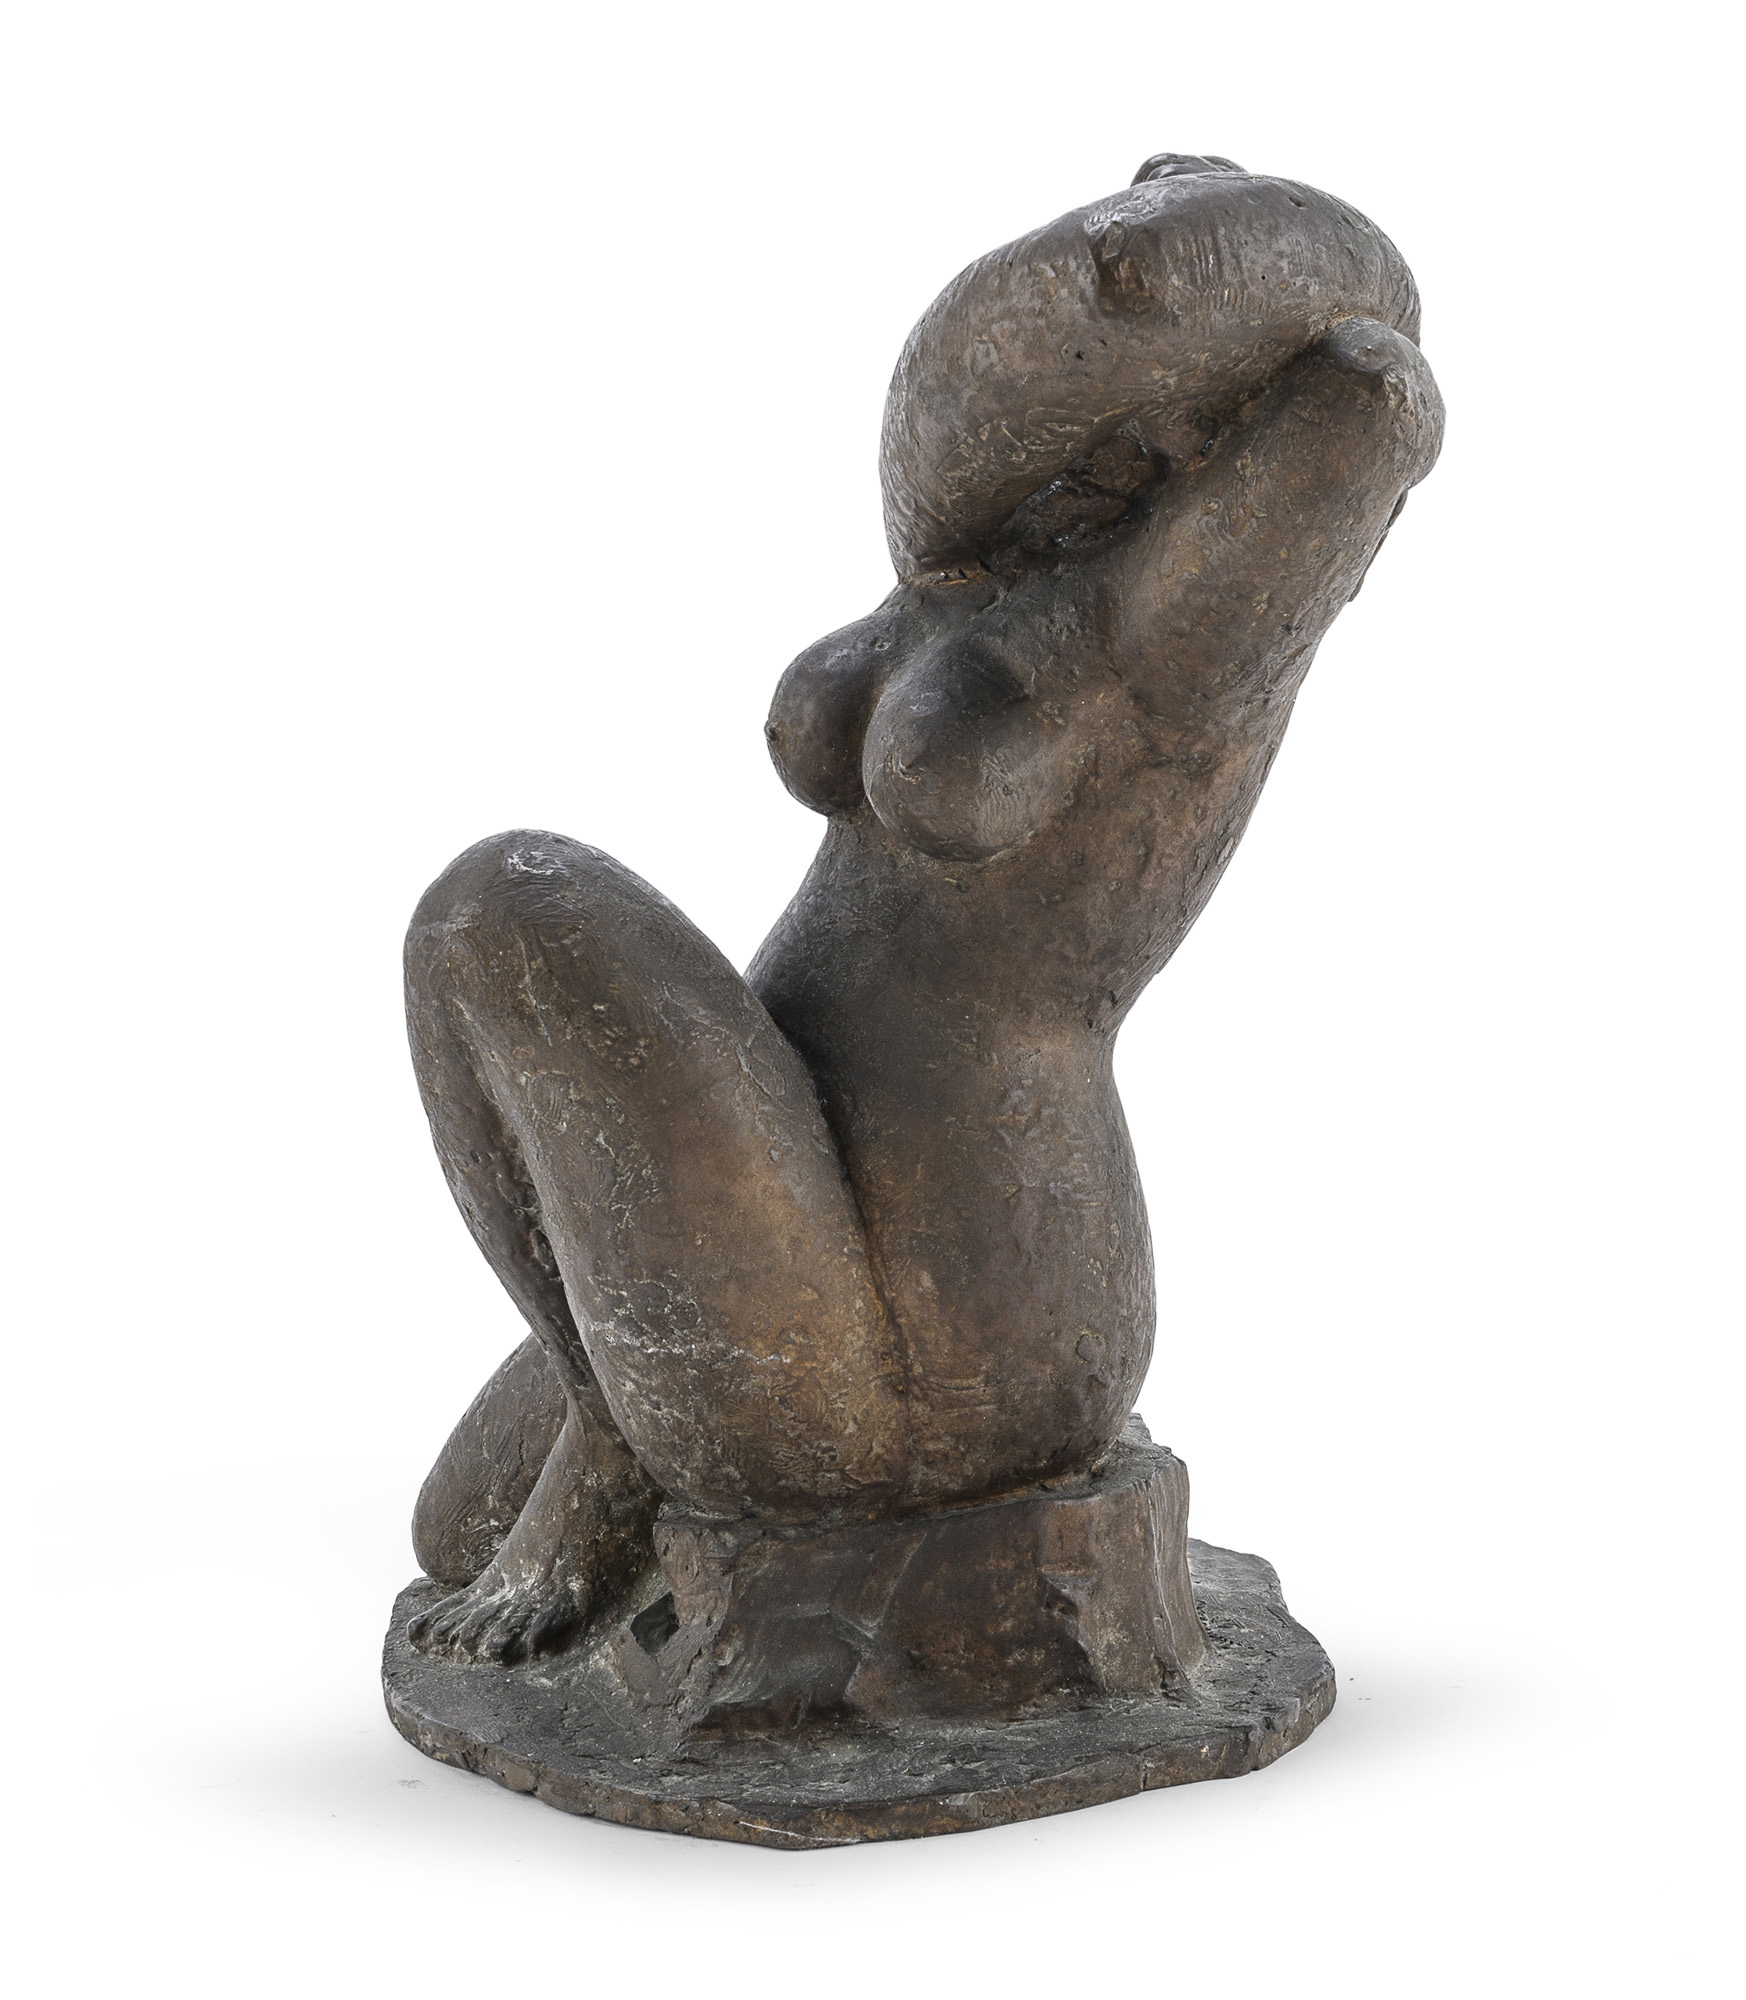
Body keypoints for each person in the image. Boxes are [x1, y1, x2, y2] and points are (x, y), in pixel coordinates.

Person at [402, 155, 1444, 1663]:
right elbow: (995, 403)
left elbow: (1379, 398)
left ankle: (617, 1451)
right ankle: (608, 1418)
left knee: (499, 906)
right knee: (453, 1523)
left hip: (954, 1301)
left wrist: (1213, 263)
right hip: (799, 1188)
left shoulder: (1177, 635)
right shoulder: (995, 565)